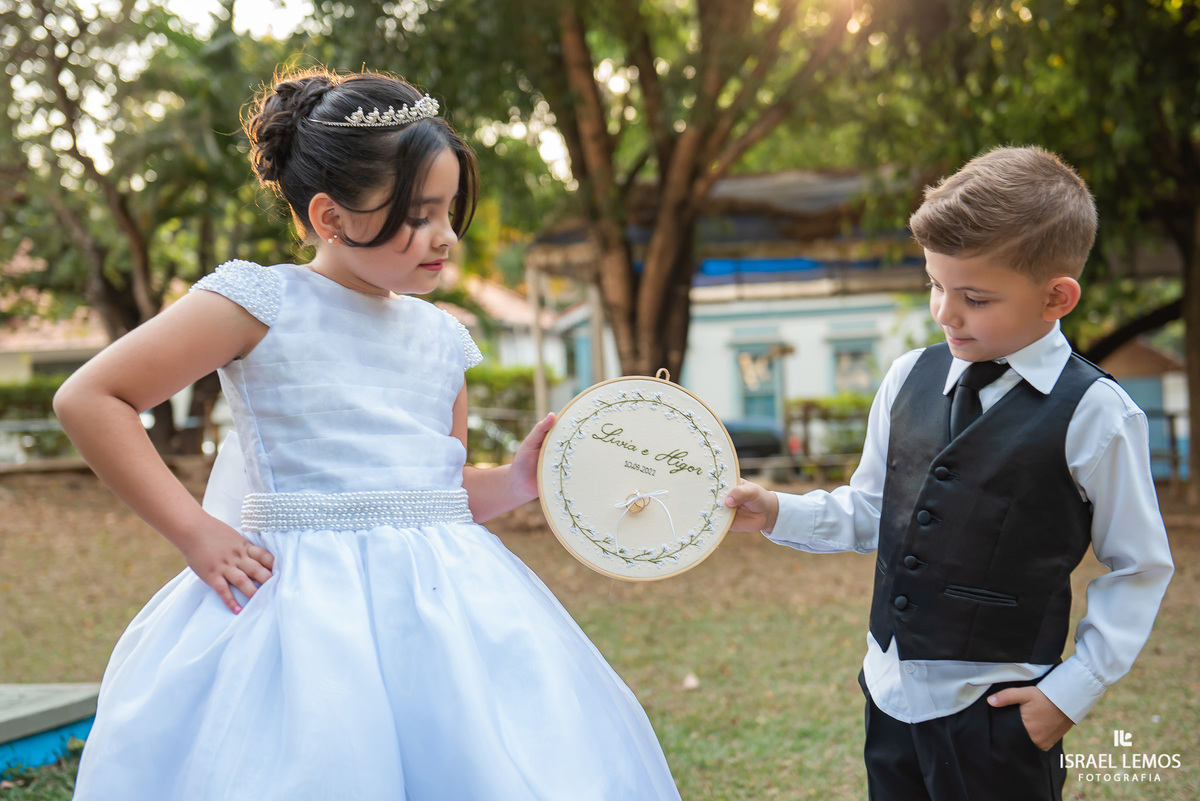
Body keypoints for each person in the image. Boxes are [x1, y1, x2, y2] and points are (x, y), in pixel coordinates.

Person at [55, 68, 681, 801]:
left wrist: (511, 481)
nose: (444, 236)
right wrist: (197, 532)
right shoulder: (260, 301)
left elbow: (434, 491)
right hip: (301, 609)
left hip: (447, 608)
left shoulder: (444, 338)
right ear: (330, 216)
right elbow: (90, 397)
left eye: (449, 211)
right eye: (419, 214)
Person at [724, 146, 1174, 801]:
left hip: (999, 720)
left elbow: (1140, 567)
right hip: (889, 697)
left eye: (974, 296)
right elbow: (874, 508)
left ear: (1057, 296)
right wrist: (776, 510)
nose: (944, 311)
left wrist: (1067, 694)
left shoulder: (1098, 415)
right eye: (935, 284)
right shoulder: (907, 377)